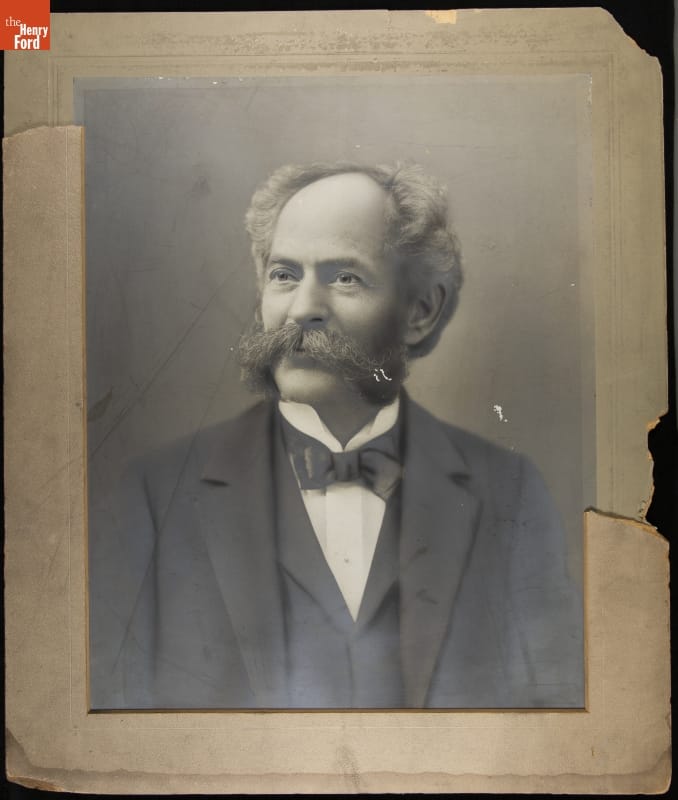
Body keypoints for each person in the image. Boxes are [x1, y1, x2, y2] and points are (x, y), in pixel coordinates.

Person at [89, 162, 584, 710]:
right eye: (284, 275)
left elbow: (553, 730)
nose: (302, 310)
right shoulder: (154, 498)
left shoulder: (509, 494)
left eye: (345, 277)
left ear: (420, 311)